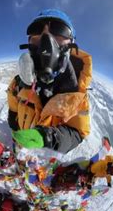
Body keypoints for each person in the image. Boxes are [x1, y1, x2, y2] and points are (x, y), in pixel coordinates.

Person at [8, 9, 92, 153]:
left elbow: (78, 133)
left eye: (59, 31)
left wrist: (48, 138)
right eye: (36, 31)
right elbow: (14, 110)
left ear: (71, 45)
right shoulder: (18, 84)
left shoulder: (76, 94)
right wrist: (14, 129)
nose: (46, 40)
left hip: (45, 160)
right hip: (21, 150)